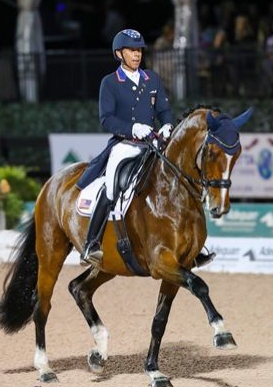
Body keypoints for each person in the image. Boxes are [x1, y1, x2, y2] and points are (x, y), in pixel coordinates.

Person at [76, 28, 215, 268]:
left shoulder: (152, 79)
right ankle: (92, 243)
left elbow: (163, 110)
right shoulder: (110, 82)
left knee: (180, 179)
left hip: (153, 143)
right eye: (131, 50)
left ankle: (193, 246)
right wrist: (132, 129)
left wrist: (168, 125)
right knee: (112, 186)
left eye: (139, 50)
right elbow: (106, 118)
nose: (137, 54)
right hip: (125, 145)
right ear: (119, 54)